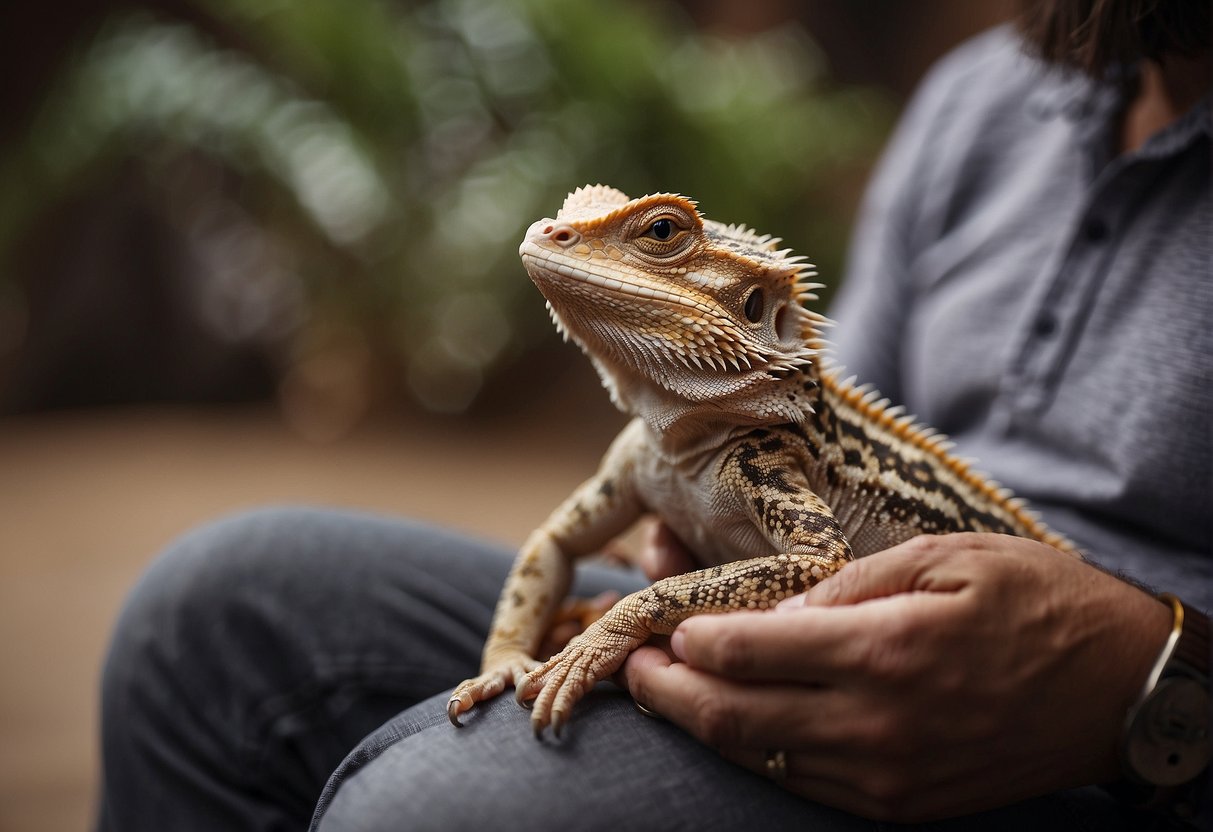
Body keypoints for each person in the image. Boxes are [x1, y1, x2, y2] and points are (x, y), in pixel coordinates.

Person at [95, 1, 1210, 829]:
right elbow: (821, 411)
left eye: (661, 241)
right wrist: (528, 637)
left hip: (1111, 759)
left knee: (430, 808)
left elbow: (802, 553)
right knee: (213, 610)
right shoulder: (984, 93)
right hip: (795, 623)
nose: (578, 247)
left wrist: (1152, 676)